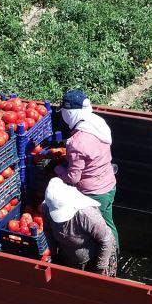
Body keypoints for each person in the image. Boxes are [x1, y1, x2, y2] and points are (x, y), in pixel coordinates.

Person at [54, 89, 118, 246]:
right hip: (109, 185)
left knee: (101, 234)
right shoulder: (97, 123)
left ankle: (109, 262)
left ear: (69, 113)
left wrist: (58, 171)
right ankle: (114, 255)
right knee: (108, 224)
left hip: (94, 194)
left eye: (64, 111)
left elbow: (73, 177)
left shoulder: (76, 142)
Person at [42, 177, 118, 276]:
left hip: (96, 260)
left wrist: (99, 269)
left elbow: (106, 240)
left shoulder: (86, 214)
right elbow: (47, 231)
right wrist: (54, 254)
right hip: (69, 259)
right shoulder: (47, 208)